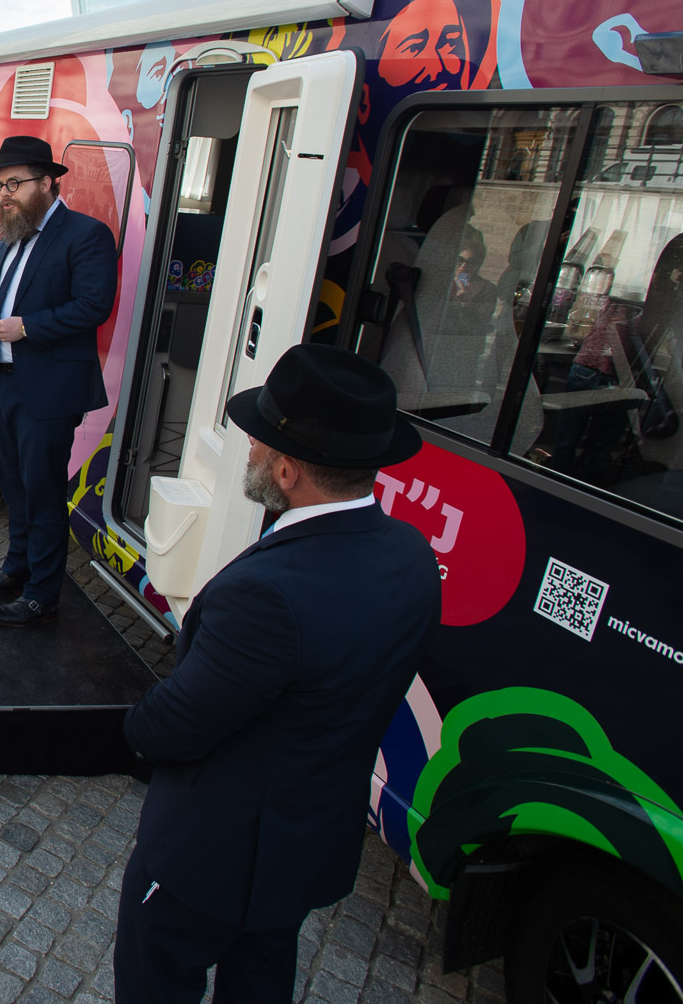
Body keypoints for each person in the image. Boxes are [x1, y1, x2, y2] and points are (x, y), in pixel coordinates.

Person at [115, 345, 439, 1004]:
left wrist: (129, 725)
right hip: (304, 848)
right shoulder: (410, 555)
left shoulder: (269, 593)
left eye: (260, 441)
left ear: (288, 471)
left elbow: (178, 725)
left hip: (209, 858)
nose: (251, 450)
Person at [0, 135, 119, 627]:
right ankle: (16, 567)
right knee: (13, 483)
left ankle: (41, 594)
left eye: (15, 183)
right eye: (1, 184)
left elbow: (94, 305)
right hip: (5, 378)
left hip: (49, 389)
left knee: (43, 491)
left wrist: (26, 326)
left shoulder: (85, 234)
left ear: (48, 182)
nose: (4, 193)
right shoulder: (9, 233)